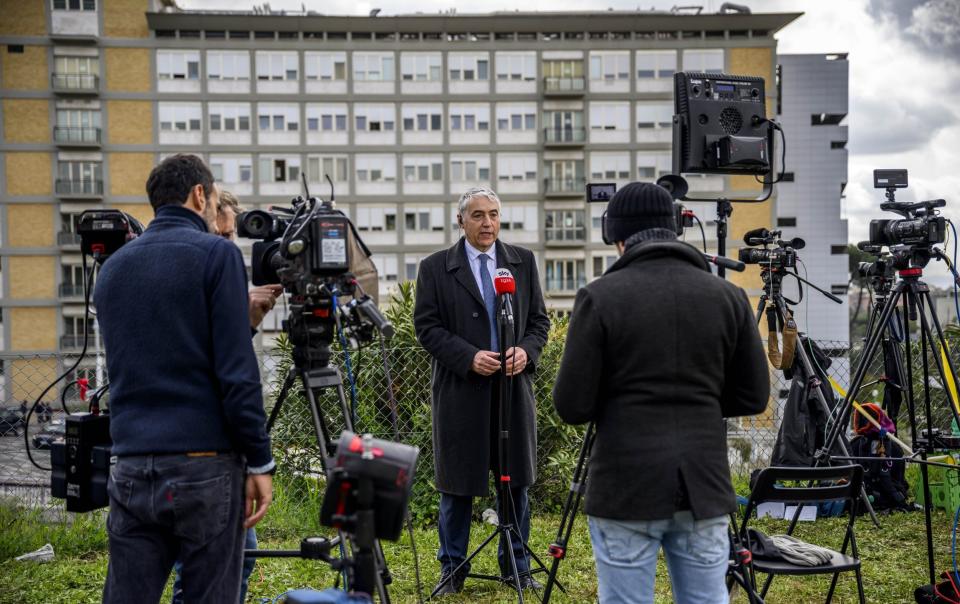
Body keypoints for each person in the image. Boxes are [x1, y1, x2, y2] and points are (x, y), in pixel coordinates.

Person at [552, 182, 769, 604]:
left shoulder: (599, 298)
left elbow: (572, 406)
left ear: (617, 238)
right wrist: (701, 399)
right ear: (676, 230)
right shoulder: (729, 296)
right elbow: (753, 396)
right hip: (703, 485)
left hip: (625, 485)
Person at [95, 154, 275, 604]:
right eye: (214, 200)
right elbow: (237, 372)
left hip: (131, 465)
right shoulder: (217, 254)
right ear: (200, 195)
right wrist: (259, 461)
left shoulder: (113, 267)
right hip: (204, 465)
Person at [414, 186, 550, 594]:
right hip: (461, 392)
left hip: (512, 391)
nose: (487, 222)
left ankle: (516, 565)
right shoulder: (436, 267)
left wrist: (526, 352)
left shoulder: (521, 262)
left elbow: (539, 322)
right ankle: (452, 568)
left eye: (493, 214)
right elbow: (427, 328)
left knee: (516, 483)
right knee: (457, 485)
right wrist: (468, 357)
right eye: (477, 215)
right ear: (461, 220)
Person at [170, 186, 282, 604]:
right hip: (196, 449)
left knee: (243, 553)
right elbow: (218, 370)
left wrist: (245, 322)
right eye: (220, 236)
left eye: (231, 238)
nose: (225, 246)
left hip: (220, 445)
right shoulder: (188, 274)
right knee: (197, 562)